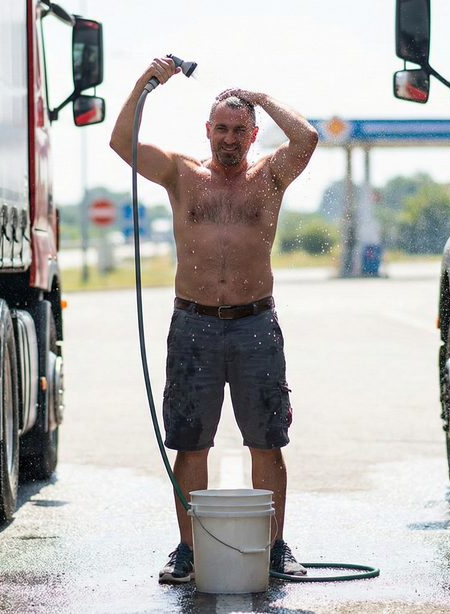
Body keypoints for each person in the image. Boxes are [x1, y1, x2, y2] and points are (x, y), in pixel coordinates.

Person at [110, 57, 319, 584]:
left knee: (267, 441)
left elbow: (308, 138)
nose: (229, 139)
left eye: (239, 130)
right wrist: (146, 82)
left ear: (252, 134)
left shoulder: (270, 175)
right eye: (221, 129)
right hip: (193, 326)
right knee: (190, 442)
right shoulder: (182, 174)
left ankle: (275, 550)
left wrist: (260, 95)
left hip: (254, 326)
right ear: (208, 131)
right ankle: (186, 549)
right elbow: (122, 142)